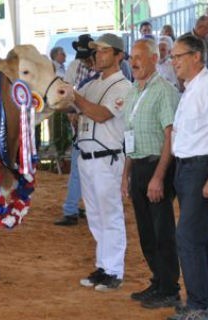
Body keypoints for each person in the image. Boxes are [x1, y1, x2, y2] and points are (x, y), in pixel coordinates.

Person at [167, 33, 208, 320]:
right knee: (200, 236)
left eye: (178, 56)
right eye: (172, 57)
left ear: (196, 56)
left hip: (201, 167)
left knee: (188, 237)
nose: (173, 62)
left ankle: (198, 306)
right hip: (186, 167)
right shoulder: (191, 87)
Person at [120, 39, 181, 309]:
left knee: (162, 229)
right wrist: (125, 174)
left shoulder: (164, 90)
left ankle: (170, 288)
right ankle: (158, 280)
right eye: (132, 57)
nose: (133, 62)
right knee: (145, 230)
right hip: (139, 165)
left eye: (139, 57)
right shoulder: (134, 91)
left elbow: (170, 136)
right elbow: (129, 137)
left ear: (155, 59)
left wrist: (158, 176)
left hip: (159, 166)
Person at [73, 33, 131, 292]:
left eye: (105, 51)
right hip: (86, 157)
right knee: (95, 216)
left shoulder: (123, 87)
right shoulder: (92, 84)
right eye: (96, 51)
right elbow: (70, 105)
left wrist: (73, 97)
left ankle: (115, 270)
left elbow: (101, 114)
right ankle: (104, 266)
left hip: (108, 158)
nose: (97, 55)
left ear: (119, 55)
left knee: (110, 215)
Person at [54, 34, 96, 227]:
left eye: (86, 55)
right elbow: (65, 92)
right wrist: (71, 113)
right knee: (80, 168)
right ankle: (72, 209)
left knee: (87, 169)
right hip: (80, 123)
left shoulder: (103, 70)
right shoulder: (74, 66)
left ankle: (79, 208)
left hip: (98, 124)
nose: (84, 59)